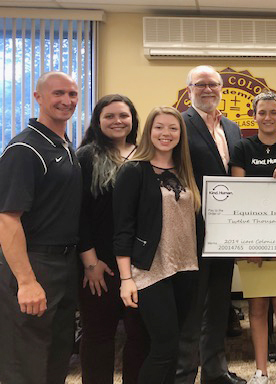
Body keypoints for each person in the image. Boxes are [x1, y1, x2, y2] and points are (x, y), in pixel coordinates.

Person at [0, 71, 82, 384]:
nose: (67, 101)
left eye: (72, 94)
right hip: (34, 262)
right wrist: (26, 281)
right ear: (38, 98)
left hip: (64, 263)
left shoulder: (63, 146)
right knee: (26, 361)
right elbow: (7, 218)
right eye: (58, 93)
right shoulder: (25, 149)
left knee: (57, 355)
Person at [114, 106, 200, 384]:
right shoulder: (133, 171)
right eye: (159, 127)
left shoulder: (187, 169)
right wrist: (126, 278)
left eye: (173, 128)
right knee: (163, 347)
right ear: (149, 131)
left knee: (175, 347)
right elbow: (122, 229)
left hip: (186, 268)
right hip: (151, 271)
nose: (166, 133)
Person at [176, 65, 245, 384]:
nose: (207, 90)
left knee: (219, 302)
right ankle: (185, 374)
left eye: (213, 85)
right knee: (192, 308)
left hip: (226, 230)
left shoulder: (231, 128)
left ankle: (215, 372)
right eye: (200, 84)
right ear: (188, 89)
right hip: (192, 229)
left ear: (221, 89)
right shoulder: (179, 124)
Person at [229, 91, 276, 384]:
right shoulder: (242, 147)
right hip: (253, 238)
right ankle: (261, 370)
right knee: (257, 308)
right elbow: (238, 195)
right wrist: (250, 242)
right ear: (254, 115)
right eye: (262, 112)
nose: (268, 117)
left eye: (274, 112)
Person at [76, 94, 149, 384]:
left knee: (140, 334)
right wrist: (90, 262)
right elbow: (78, 213)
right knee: (98, 334)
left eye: (124, 115)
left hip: (141, 264)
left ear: (133, 119)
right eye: (110, 116)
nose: (118, 121)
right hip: (100, 265)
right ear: (98, 121)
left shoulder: (146, 155)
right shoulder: (86, 157)